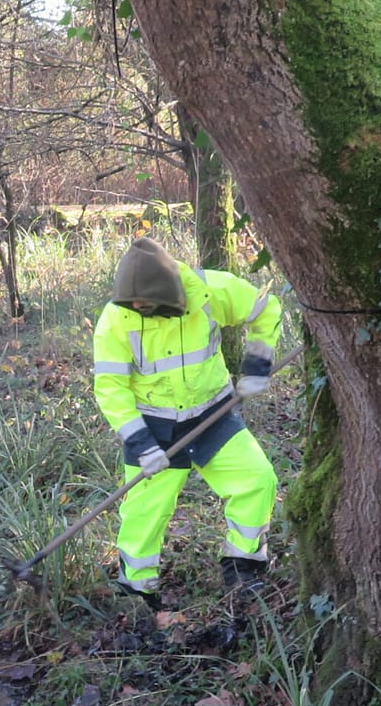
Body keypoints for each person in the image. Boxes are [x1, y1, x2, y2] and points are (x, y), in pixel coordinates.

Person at [92, 238, 282, 609]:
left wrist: (258, 366)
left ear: (169, 294)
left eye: (143, 303)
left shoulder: (211, 291)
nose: (136, 308)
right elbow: (111, 388)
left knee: (258, 481)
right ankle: (137, 593)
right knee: (144, 514)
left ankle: (243, 567)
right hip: (154, 427)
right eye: (130, 303)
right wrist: (141, 442)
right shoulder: (116, 320)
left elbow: (265, 307)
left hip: (213, 415)